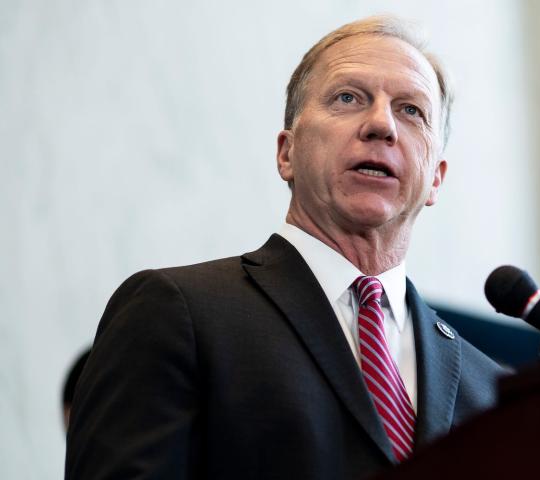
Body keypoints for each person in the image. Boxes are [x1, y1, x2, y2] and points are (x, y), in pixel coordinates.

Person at [65, 16, 504, 480]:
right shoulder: (178, 313)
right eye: (348, 98)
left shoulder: (493, 391)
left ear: (436, 177)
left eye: (411, 110)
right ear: (286, 153)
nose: (381, 124)